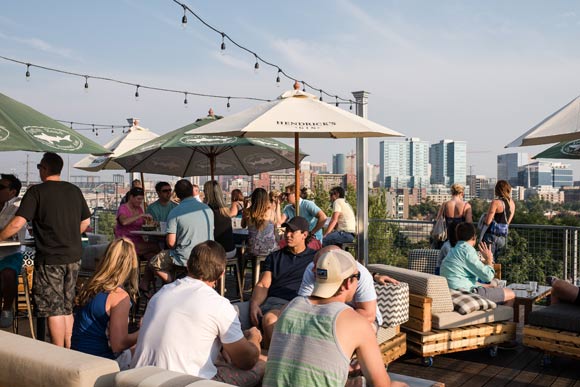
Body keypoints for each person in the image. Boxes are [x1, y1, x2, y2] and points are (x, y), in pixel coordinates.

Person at [263, 249, 407, 387]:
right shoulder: (355, 322)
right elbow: (381, 385)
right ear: (348, 283)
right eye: (358, 277)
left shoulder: (288, 309)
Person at [132, 241, 265, 386]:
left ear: (188, 265)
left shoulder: (162, 293)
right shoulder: (219, 305)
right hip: (184, 383)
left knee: (220, 359)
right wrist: (254, 338)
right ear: (221, 274)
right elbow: (247, 361)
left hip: (141, 379)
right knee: (262, 364)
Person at [0, 152, 91, 347]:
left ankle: (57, 353)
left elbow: (17, 223)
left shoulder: (37, 192)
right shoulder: (74, 190)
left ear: (44, 168)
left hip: (51, 258)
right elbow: (86, 221)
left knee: (53, 309)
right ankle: (69, 349)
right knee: (67, 307)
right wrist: (68, 234)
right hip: (74, 255)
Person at [71, 238, 139, 368]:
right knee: (144, 348)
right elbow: (118, 344)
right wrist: (143, 331)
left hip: (77, 355)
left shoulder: (90, 285)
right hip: (99, 362)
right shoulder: (119, 296)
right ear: (130, 264)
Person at [249, 216, 316, 348]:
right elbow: (263, 284)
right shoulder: (274, 257)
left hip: (300, 304)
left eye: (293, 231)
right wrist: (254, 304)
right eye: (287, 231)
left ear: (304, 235)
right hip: (274, 302)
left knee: (273, 319)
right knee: (269, 318)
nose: (288, 235)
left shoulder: (315, 258)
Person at [298, 245, 398, 328]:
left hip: (358, 315)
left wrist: (330, 320)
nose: (314, 270)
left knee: (361, 330)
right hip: (329, 312)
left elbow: (368, 314)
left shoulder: (359, 274)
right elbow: (305, 302)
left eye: (317, 265)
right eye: (316, 264)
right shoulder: (314, 269)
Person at [149, 179, 214, 283]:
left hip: (185, 258)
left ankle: (174, 283)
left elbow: (171, 243)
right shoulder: (207, 209)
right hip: (207, 255)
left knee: (154, 263)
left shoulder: (175, 211)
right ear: (192, 191)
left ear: (177, 194)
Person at [440, 222, 515, 306]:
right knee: (511, 294)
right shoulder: (468, 251)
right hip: (465, 293)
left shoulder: (453, 250)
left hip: (453, 289)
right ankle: (500, 318)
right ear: (474, 237)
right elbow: (488, 277)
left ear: (457, 237)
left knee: (492, 286)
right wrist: (489, 259)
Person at [0, 174, 26, 327]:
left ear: (12, 192)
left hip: (11, 253)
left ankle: (7, 309)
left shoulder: (18, 206)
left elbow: (14, 229)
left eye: (1, 187)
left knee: (8, 273)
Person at [114, 187, 159, 260]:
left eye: (141, 199)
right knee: (155, 246)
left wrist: (152, 223)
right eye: (138, 199)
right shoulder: (123, 208)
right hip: (126, 242)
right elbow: (124, 222)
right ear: (131, 197)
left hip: (139, 240)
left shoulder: (139, 209)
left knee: (153, 257)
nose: (140, 201)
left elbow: (143, 223)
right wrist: (140, 215)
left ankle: (153, 269)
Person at [481, 180, 515, 259]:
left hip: (491, 236)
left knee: (487, 261)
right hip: (503, 237)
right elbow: (508, 222)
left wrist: (484, 218)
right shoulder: (512, 203)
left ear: (497, 190)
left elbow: (488, 221)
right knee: (497, 263)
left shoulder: (496, 202)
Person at [242, 188, 278, 258]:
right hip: (269, 249)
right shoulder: (271, 212)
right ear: (266, 199)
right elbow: (275, 230)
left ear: (253, 198)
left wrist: (245, 206)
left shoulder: (247, 211)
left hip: (252, 249)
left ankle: (253, 267)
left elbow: (243, 225)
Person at [204, 180, 236, 258]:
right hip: (231, 250)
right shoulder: (225, 210)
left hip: (218, 253)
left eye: (204, 191)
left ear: (207, 193)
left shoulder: (208, 210)